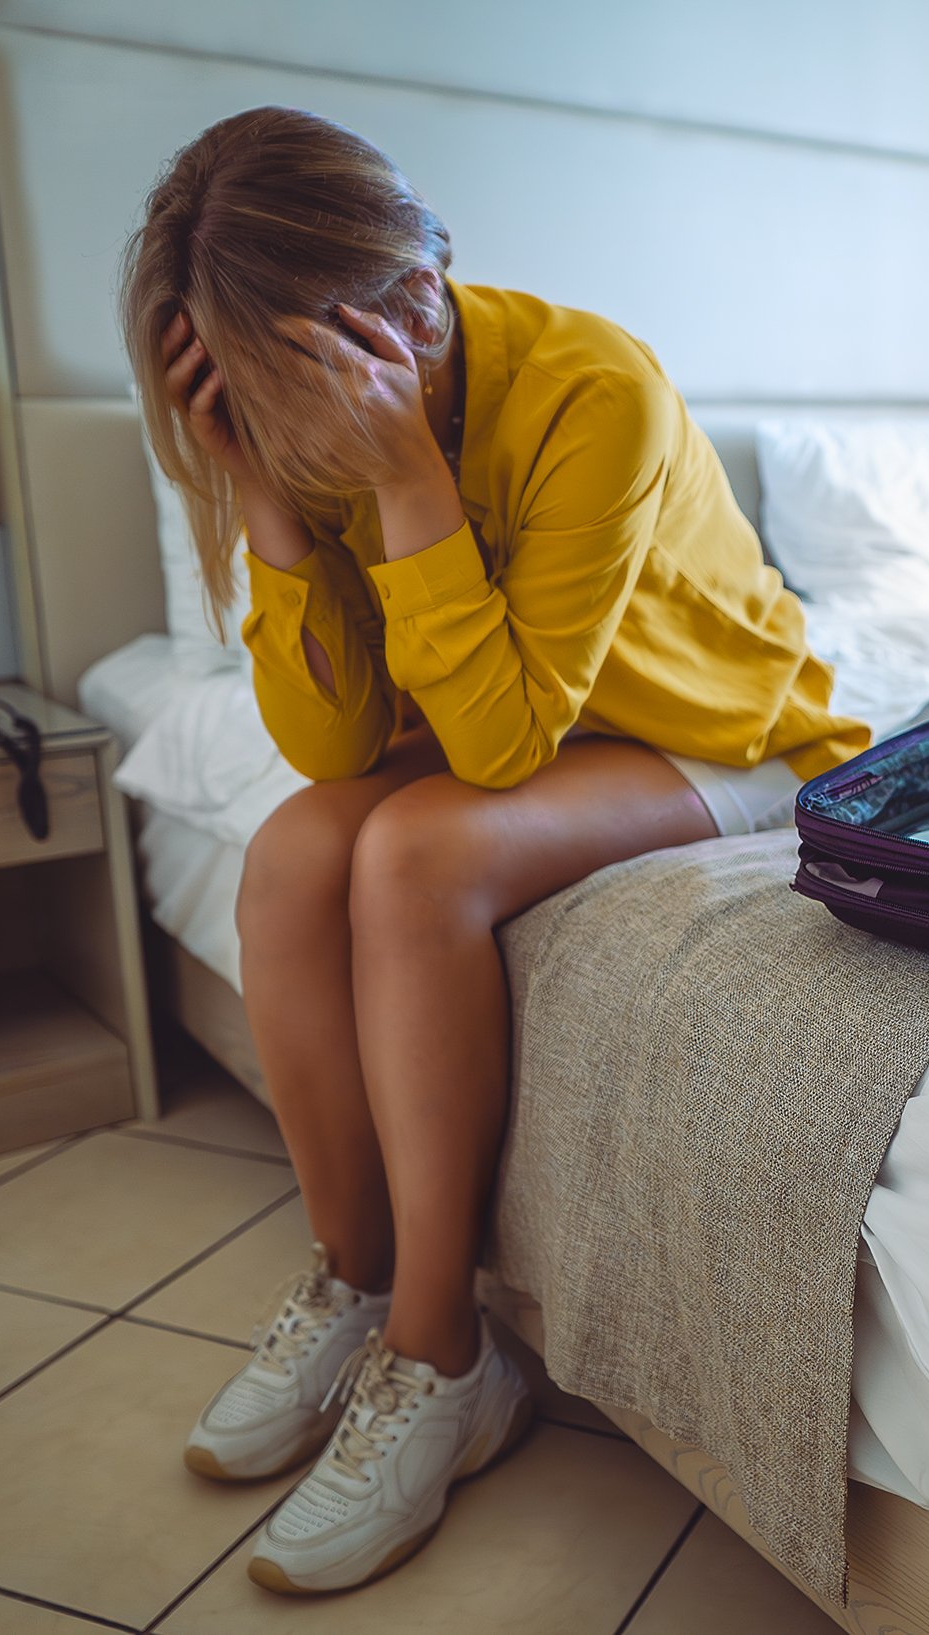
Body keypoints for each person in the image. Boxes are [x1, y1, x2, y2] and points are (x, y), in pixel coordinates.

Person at [120, 106, 865, 1595]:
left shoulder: (596, 389)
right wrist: (269, 501)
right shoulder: (300, 410)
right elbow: (335, 746)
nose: (305, 432)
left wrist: (405, 483)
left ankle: (443, 1353)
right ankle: (352, 1275)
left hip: (724, 735)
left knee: (413, 860)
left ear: (420, 287)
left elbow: (499, 752)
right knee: (289, 852)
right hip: (527, 724)